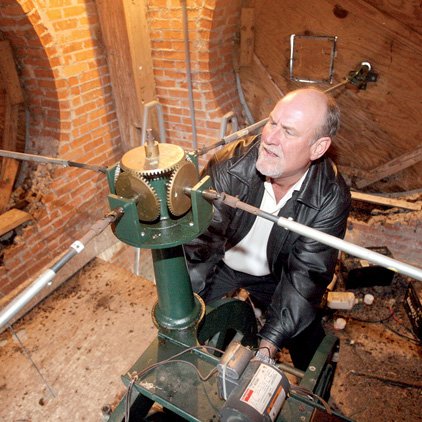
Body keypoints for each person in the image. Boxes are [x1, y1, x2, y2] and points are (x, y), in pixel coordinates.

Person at [184, 88, 351, 370]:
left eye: (288, 132)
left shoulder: (329, 196)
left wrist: (268, 345)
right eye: (272, 122)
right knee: (190, 322)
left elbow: (306, 276)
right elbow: (199, 247)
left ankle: (315, 398)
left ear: (318, 148)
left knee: (305, 335)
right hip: (223, 263)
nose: (270, 138)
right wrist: (188, 309)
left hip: (278, 273)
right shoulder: (228, 167)